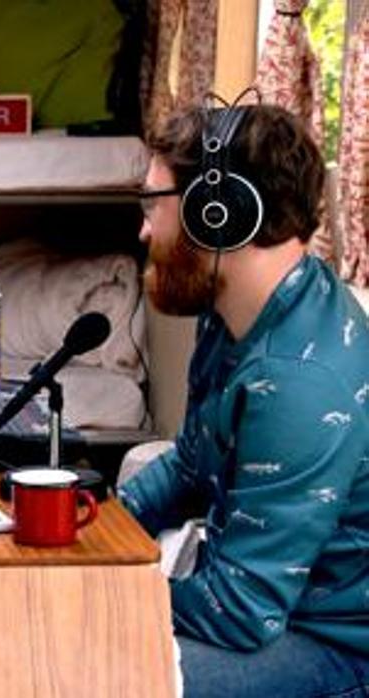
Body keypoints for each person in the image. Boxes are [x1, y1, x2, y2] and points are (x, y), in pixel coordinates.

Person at [120, 103, 369, 697]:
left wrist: (105, 589)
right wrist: (98, 526)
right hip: (275, 613)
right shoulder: (235, 313)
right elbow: (189, 462)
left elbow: (239, 612)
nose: (144, 231)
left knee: (98, 670)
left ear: (219, 215)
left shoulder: (297, 384)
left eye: (153, 206)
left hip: (334, 647)